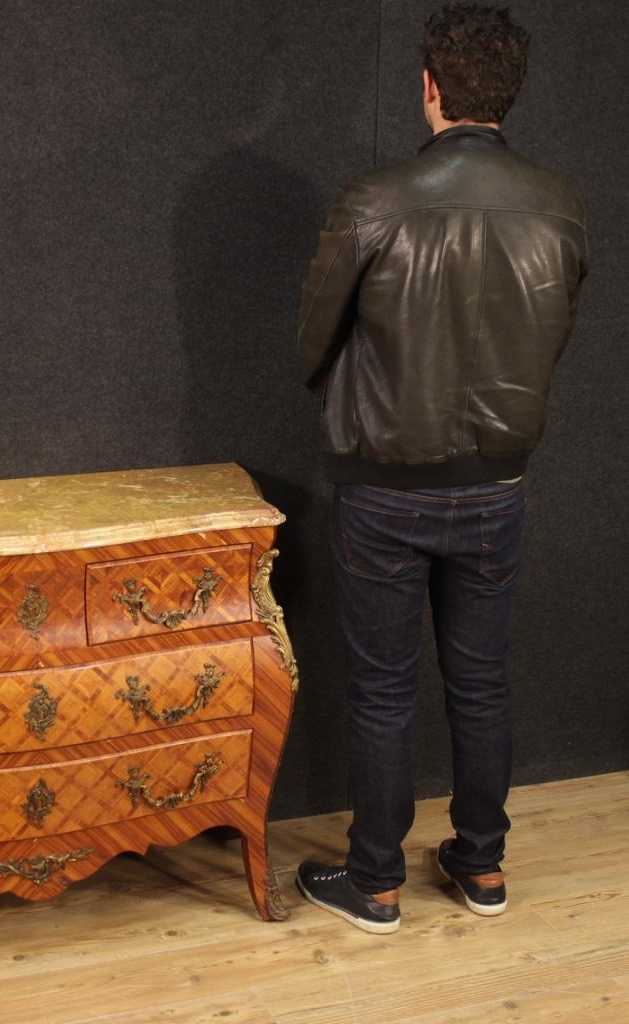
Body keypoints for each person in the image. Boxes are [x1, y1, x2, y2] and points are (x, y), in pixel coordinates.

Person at [294, 4, 587, 934]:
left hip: (384, 481)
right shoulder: (560, 205)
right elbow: (549, 338)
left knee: (384, 688)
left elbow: (313, 342)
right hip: (498, 482)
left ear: (429, 87)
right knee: (483, 680)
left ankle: (375, 882)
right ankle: (483, 867)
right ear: (508, 91)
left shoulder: (376, 200)